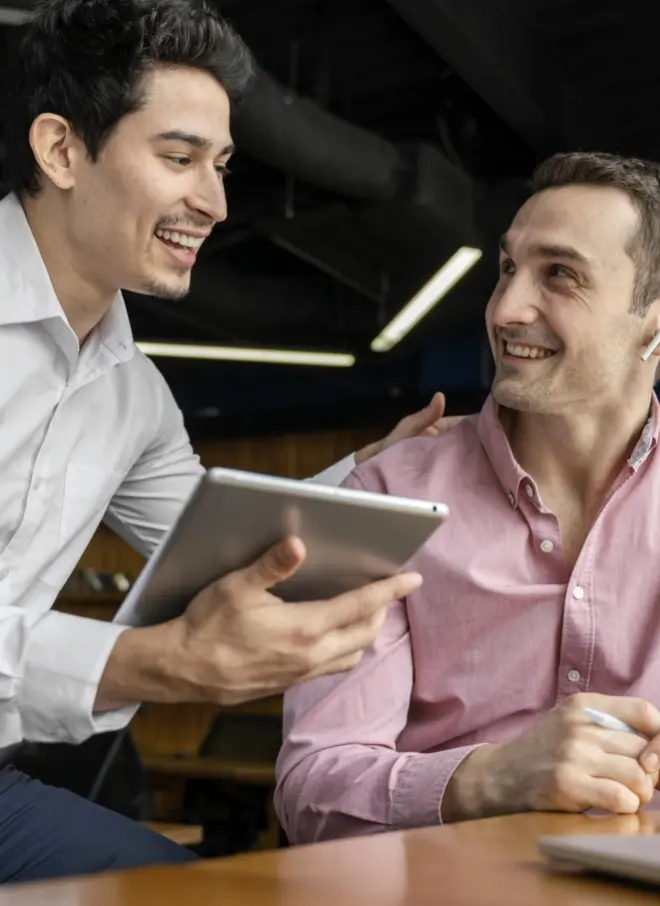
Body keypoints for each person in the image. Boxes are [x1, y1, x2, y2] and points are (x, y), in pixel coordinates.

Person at [0, 0, 458, 882]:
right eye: (177, 158)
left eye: (220, 165)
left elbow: (218, 533)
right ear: (61, 150)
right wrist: (145, 664)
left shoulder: (131, 395)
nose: (212, 202)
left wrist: (373, 468)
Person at [275, 150, 660, 845]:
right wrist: (490, 779)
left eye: (561, 275)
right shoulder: (382, 498)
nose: (507, 309)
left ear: (654, 324)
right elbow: (312, 788)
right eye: (508, 269)